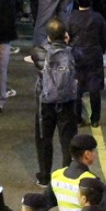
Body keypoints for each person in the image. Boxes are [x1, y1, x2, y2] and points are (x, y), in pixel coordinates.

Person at [31, 19, 80, 187]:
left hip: (45, 101)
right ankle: (68, 174)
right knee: (67, 139)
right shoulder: (73, 52)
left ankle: (45, 176)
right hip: (67, 100)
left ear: (49, 37)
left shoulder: (38, 52)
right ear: (65, 35)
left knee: (44, 139)